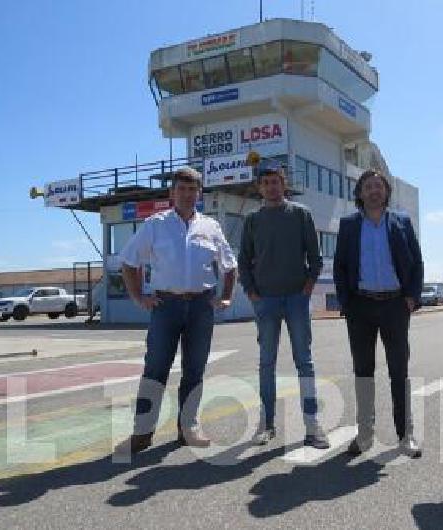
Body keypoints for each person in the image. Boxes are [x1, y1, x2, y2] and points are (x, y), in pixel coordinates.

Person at [114, 167, 237, 456]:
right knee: (155, 368)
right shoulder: (155, 225)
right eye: (181, 189)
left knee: (195, 369)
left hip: (201, 306)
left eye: (192, 189)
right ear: (172, 193)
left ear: (199, 193)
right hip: (165, 306)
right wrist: (137, 296)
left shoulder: (211, 227)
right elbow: (129, 261)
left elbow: (229, 266)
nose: (186, 194)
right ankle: (142, 432)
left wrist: (227, 297)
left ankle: (188, 428)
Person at [238, 159, 329, 449]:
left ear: (283, 183)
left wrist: (306, 289)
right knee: (267, 363)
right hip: (265, 302)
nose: (270, 187)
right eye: (265, 183)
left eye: (275, 181)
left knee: (305, 362)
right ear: (259, 188)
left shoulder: (301, 214)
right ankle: (266, 424)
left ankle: (313, 426)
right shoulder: (252, 220)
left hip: (296, 301)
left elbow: (315, 258)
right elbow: (243, 261)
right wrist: (252, 292)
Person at [333, 169, 424, 458]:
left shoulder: (401, 222)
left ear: (386, 192)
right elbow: (340, 267)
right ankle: (364, 435)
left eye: (379, 186)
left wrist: (411, 297)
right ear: (359, 193)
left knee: (399, 371)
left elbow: (416, 262)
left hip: (395, 305)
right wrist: (346, 304)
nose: (374, 191)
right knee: (363, 371)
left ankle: (405, 435)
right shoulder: (348, 225)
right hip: (360, 306)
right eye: (368, 187)